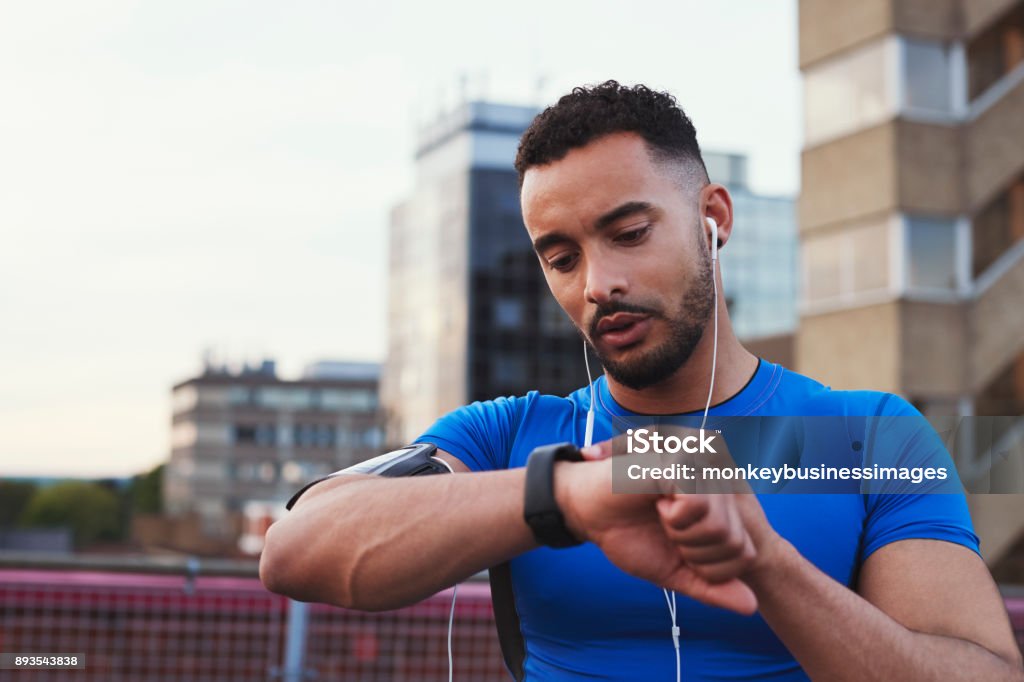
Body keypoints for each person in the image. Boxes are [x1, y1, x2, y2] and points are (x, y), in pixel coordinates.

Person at [259, 81, 1024, 681]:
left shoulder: (866, 437)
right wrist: (573, 492)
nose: (598, 283)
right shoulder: (513, 435)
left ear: (713, 218)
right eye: (561, 258)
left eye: (629, 233)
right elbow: (295, 550)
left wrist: (765, 561)